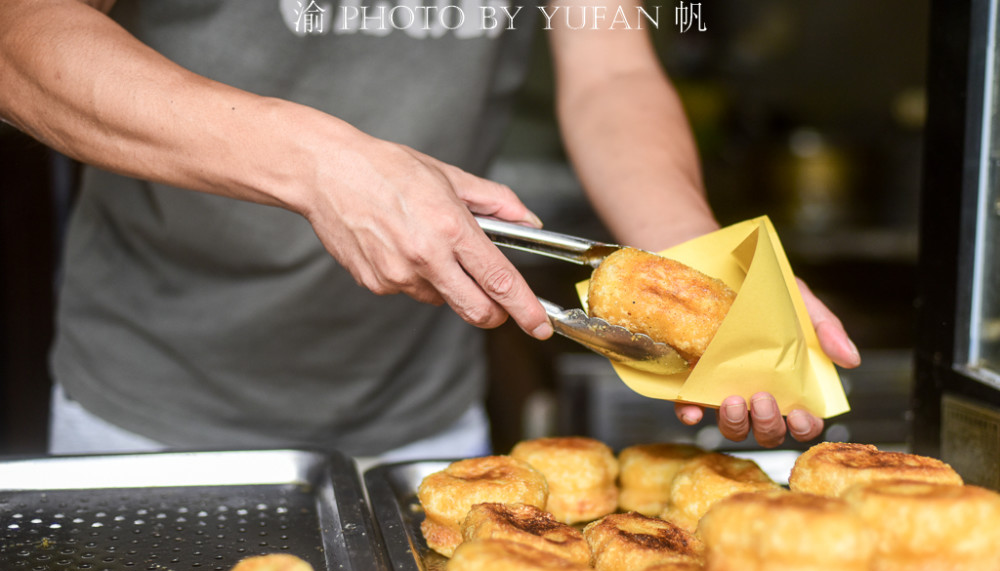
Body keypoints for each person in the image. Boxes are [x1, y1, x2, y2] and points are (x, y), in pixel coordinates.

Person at [0, 0, 860, 461]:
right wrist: (317, 163)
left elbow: (611, 73)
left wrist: (698, 267)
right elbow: (19, 34)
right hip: (152, 413)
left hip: (425, 424)